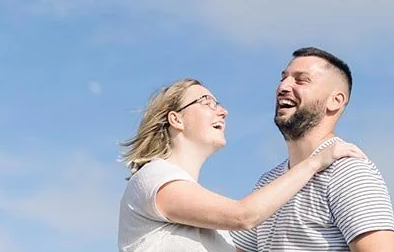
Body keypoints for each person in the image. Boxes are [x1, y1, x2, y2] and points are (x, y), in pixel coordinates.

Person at [118, 77, 367, 252]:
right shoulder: (153, 178)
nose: (223, 111)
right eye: (207, 101)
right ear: (176, 119)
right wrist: (314, 162)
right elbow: (244, 215)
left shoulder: (218, 235)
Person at [229, 47, 394, 252]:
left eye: (301, 80)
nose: (283, 86)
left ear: (335, 101)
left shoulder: (349, 172)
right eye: (283, 78)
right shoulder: (268, 181)